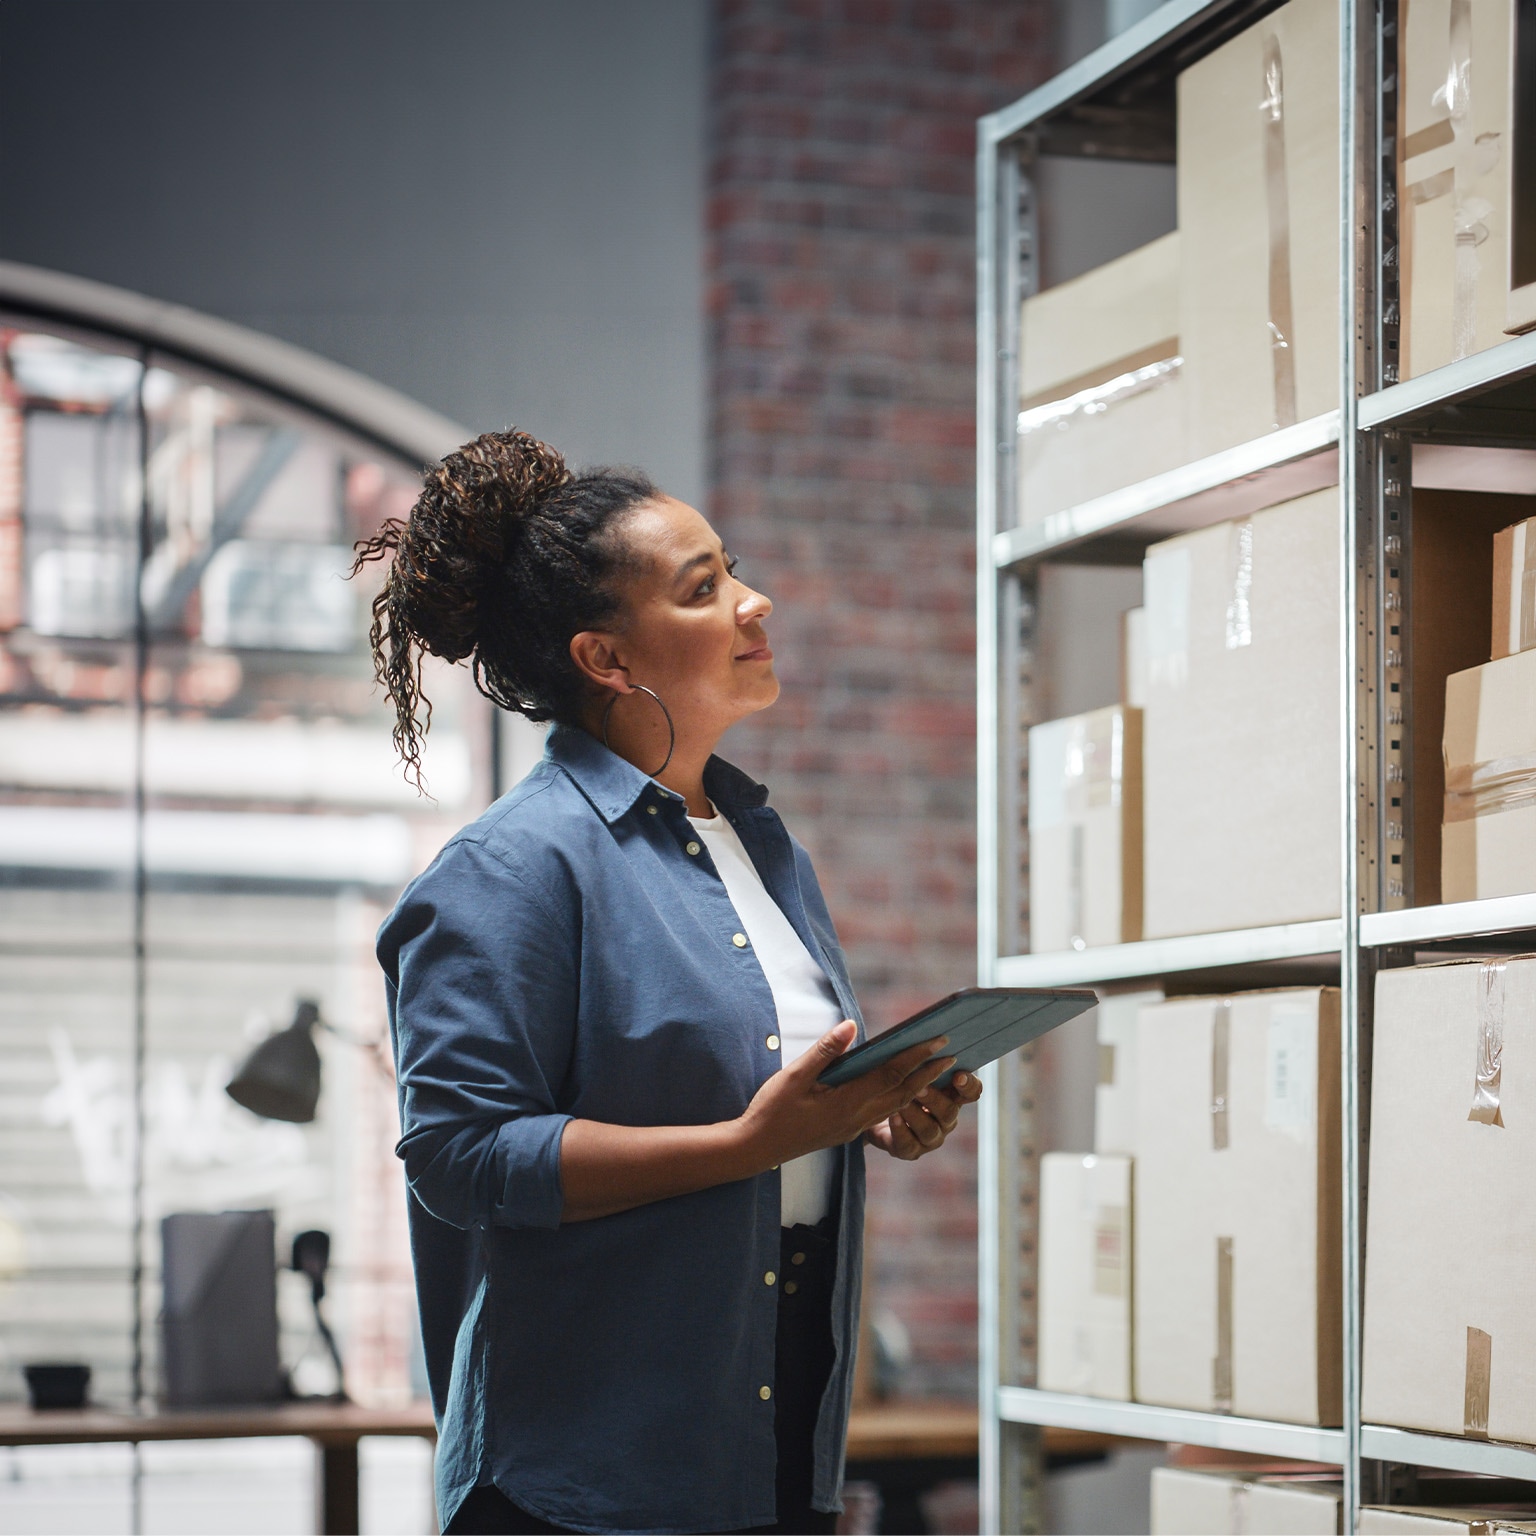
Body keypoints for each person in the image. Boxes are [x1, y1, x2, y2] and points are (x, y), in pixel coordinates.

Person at [361, 428, 983, 1535]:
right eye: (706, 590)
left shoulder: (758, 841)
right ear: (608, 658)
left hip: (773, 1436)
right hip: (587, 1477)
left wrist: (866, 1117)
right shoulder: (508, 872)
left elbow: (758, 1098)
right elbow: (458, 1156)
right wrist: (752, 1146)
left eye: (732, 570)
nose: (756, 602)